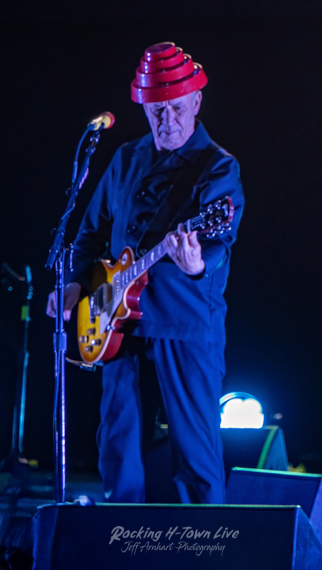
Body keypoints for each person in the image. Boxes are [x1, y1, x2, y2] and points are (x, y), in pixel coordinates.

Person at [47, 42, 244, 504]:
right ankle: (121, 535)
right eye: (157, 110)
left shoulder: (218, 166)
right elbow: (91, 233)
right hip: (117, 321)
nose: (167, 120)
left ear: (197, 101)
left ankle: (206, 540)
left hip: (183, 321)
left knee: (195, 453)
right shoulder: (125, 158)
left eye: (177, 108)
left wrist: (196, 263)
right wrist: (76, 283)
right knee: (118, 445)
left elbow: (219, 240)